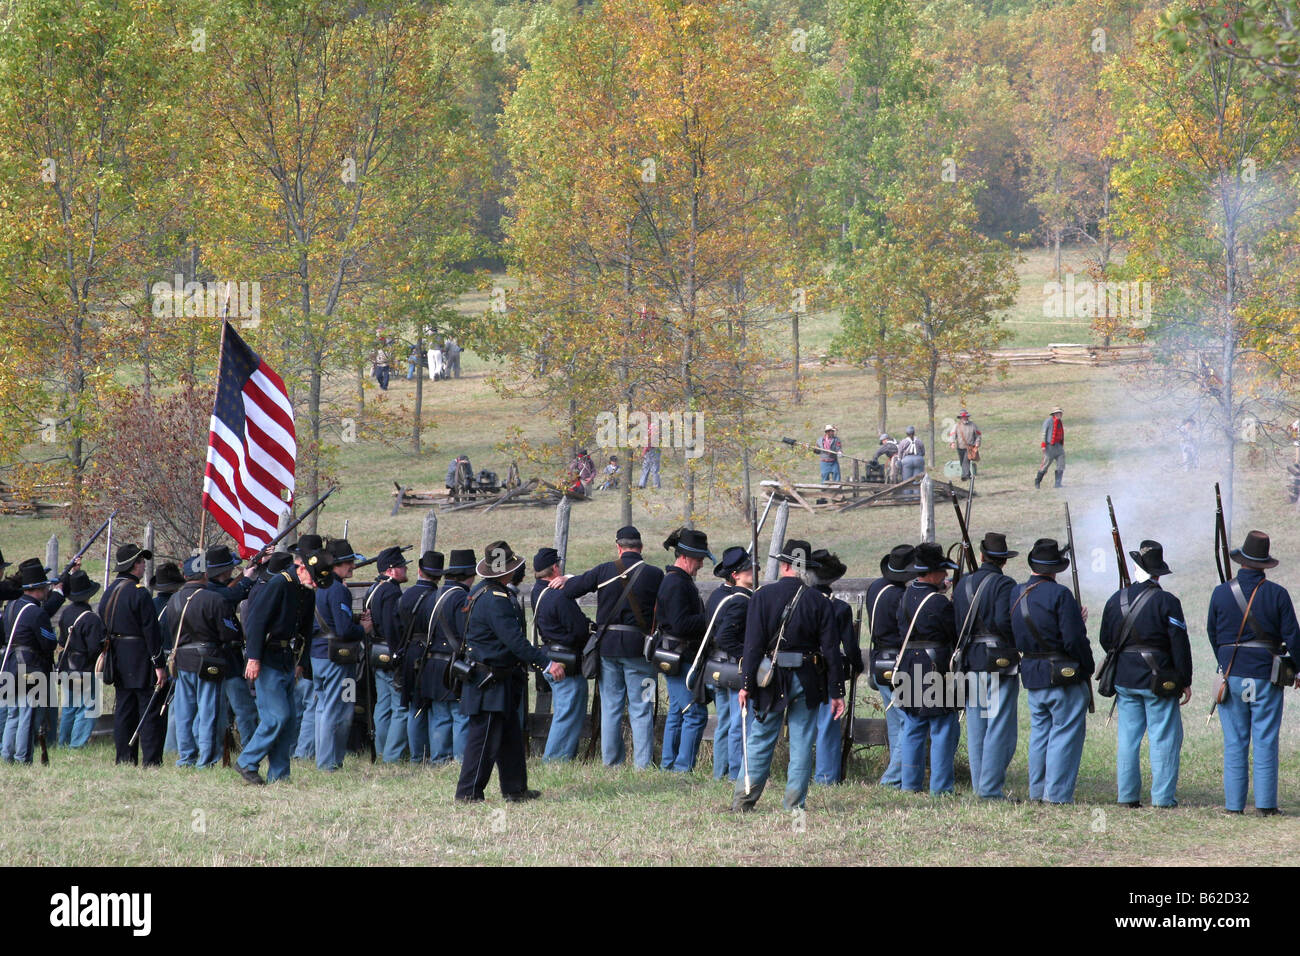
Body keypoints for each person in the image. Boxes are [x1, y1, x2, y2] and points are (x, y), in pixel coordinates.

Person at [733, 540, 846, 812]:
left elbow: (753, 645)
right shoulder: (819, 601)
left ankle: (743, 802)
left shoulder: (761, 596)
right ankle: (794, 806)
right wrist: (836, 691)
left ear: (784, 565)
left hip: (770, 679)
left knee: (760, 740)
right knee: (803, 742)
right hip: (807, 679)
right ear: (805, 569)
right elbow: (831, 650)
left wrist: (746, 685)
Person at [455, 542, 564, 802]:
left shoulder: (484, 592)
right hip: (490, 679)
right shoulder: (495, 599)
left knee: (510, 738)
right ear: (506, 571)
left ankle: (515, 789)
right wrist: (547, 664)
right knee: (483, 740)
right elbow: (515, 641)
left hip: (498, 677)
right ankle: (468, 793)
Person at [553, 526, 664, 768]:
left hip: (608, 649)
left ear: (618, 547)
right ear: (641, 547)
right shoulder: (655, 574)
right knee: (642, 708)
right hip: (640, 651)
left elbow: (570, 591)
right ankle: (643, 765)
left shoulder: (604, 570)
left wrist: (569, 578)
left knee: (611, 708)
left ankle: (611, 763)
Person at [1207, 531, 1300, 815]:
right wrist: (1297, 669)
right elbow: (1293, 637)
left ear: (1243, 561)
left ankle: (1234, 806)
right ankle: (1266, 806)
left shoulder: (1221, 592)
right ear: (1263, 564)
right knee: (1265, 739)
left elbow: (1213, 633)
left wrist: (1225, 664)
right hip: (1265, 675)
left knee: (1235, 741)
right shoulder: (1278, 594)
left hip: (1234, 674)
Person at [1098, 540, 1192, 809]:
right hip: (1159, 680)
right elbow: (1179, 644)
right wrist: (1184, 680)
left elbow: (1106, 640)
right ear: (1158, 573)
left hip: (1125, 679)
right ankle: (1162, 799)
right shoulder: (1168, 601)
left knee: (1128, 738)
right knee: (1163, 738)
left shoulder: (1115, 599)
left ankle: (1127, 797)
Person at [1010, 538, 1093, 803]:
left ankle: (1037, 792)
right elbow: (1073, 640)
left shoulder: (1016, 593)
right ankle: (1055, 796)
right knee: (1064, 735)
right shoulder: (1060, 595)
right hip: (1062, 674)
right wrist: (1087, 666)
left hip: (1032, 673)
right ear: (1055, 568)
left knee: (1040, 735)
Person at [237, 549, 322, 784]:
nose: (314, 583)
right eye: (312, 577)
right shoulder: (279, 584)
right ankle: (247, 761)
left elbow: (305, 630)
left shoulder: (305, 590)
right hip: (268, 659)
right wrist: (253, 658)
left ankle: (280, 775)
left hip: (287, 659)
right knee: (277, 716)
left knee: (289, 721)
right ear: (302, 568)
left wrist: (301, 662)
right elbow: (255, 622)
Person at [952, 532, 1020, 799]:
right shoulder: (1005, 585)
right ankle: (990, 790)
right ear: (1003, 561)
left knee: (978, 726)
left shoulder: (963, 585)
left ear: (981, 556)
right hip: (999, 661)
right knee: (999, 727)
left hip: (971, 660)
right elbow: (1006, 623)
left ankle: (982, 787)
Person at [893, 543, 960, 795]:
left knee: (913, 725)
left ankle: (910, 784)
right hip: (934, 665)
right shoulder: (938, 603)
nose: (945, 575)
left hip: (909, 664)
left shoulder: (906, 595)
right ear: (932, 573)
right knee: (943, 726)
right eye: (942, 570)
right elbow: (953, 633)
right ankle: (941, 788)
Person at [167, 555, 242, 769]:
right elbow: (231, 633)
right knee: (209, 710)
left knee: (184, 711)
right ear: (206, 575)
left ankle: (186, 757)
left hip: (182, 659)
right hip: (209, 658)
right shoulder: (214, 599)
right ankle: (206, 758)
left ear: (185, 575)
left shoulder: (174, 599)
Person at [99, 543, 167, 765]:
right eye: (141, 562)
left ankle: (125, 759)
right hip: (140, 659)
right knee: (148, 711)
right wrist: (159, 664)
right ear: (133, 565)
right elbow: (151, 632)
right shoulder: (139, 593)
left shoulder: (108, 592)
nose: (143, 566)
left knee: (124, 711)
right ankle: (151, 761)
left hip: (118, 657)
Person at [405, 549, 475, 763]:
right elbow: (466, 632)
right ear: (469, 575)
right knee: (460, 716)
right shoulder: (462, 597)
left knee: (439, 716)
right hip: (452, 665)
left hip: (432, 663)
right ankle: (461, 761)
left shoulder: (432, 595)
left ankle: (439, 760)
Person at [310, 537, 372, 771]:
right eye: (348, 563)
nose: (352, 567)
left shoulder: (319, 586)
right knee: (340, 709)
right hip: (337, 657)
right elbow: (345, 630)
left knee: (322, 708)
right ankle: (329, 763)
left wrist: (353, 620)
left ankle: (324, 759)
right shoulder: (337, 590)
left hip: (318, 655)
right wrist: (363, 628)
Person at [656, 528, 712, 772]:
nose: (701, 563)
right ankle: (681, 770)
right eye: (699, 558)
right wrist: (710, 618)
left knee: (678, 713)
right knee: (695, 714)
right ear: (686, 557)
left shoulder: (678, 581)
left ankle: (670, 765)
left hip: (678, 655)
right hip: (679, 655)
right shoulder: (677, 584)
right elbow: (680, 624)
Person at [530, 547, 591, 761]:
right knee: (566, 714)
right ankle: (555, 760)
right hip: (566, 660)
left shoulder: (537, 591)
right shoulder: (558, 596)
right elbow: (580, 630)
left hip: (550, 654)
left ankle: (564, 757)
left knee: (566, 711)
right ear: (555, 567)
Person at [700, 546, 752, 782]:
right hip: (732, 666)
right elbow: (725, 637)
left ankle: (719, 773)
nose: (753, 571)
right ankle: (735, 774)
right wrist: (747, 656)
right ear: (735, 575)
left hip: (716, 665)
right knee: (735, 724)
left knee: (724, 723)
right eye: (748, 569)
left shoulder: (717, 596)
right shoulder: (738, 600)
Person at [865, 545, 915, 787]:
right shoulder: (900, 596)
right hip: (897, 662)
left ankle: (899, 779)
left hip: (879, 661)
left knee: (896, 723)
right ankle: (892, 778)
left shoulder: (876, 587)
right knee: (907, 722)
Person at [1, 560, 59, 763]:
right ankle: (23, 757)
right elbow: (49, 642)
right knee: (27, 714)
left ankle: (7, 755)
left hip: (9, 664)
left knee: (13, 714)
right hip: (29, 667)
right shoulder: (36, 612)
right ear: (38, 588)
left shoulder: (11, 607)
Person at [811, 550, 862, 784]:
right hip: (828, 671)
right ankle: (825, 776)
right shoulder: (839, 608)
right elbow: (850, 647)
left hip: (798, 670)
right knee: (827, 727)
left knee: (802, 726)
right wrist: (857, 665)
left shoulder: (800, 601)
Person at [204, 544, 260, 753]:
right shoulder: (213, 591)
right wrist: (246, 578)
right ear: (224, 570)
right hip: (226, 657)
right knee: (243, 708)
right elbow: (233, 594)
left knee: (227, 709)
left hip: (225, 657)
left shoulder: (216, 587)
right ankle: (250, 749)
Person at [390, 550, 442, 762]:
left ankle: (417, 756)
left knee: (414, 705)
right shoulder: (438, 597)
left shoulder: (406, 595)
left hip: (410, 651)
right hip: (430, 651)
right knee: (432, 706)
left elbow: (396, 627)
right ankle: (426, 754)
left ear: (420, 570)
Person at [363, 547, 407, 762]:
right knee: (399, 706)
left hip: (376, 650)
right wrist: (398, 653)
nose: (405, 568)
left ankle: (382, 751)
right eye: (401, 566)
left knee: (383, 705)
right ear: (391, 570)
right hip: (389, 652)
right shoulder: (390, 591)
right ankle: (392, 755)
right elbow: (392, 626)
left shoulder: (374, 588)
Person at [55, 570, 105, 749]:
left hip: (68, 667)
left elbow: (61, 641)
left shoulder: (66, 613)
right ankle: (77, 744)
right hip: (85, 667)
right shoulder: (91, 619)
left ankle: (63, 742)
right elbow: (94, 648)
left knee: (69, 708)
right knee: (88, 707)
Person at [289, 533, 325, 762]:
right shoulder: (298, 586)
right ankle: (302, 753)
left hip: (299, 652)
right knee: (308, 706)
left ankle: (294, 751)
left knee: (299, 707)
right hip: (305, 652)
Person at [1035, 406, 1065, 489]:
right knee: (1045, 465)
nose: (1059, 414)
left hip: (1059, 446)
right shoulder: (1048, 421)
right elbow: (1044, 433)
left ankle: (1058, 484)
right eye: (1057, 413)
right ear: (1054, 414)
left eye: (1060, 413)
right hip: (1049, 446)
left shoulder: (1060, 422)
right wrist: (1043, 445)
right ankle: (1037, 482)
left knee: (1061, 465)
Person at [951, 410, 981, 481]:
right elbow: (952, 434)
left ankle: (964, 476)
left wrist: (977, 443)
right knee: (962, 462)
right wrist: (952, 442)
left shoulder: (973, 425)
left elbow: (978, 435)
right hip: (960, 447)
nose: (964, 418)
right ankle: (969, 475)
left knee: (965, 461)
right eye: (963, 417)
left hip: (970, 447)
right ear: (960, 418)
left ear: (968, 417)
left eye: (965, 417)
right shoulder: (956, 426)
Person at [638, 422, 661, 489]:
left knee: (654, 468)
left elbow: (649, 441)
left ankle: (655, 485)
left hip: (652, 450)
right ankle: (642, 484)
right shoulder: (647, 427)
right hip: (651, 450)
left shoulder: (653, 427)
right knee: (647, 468)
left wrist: (644, 451)